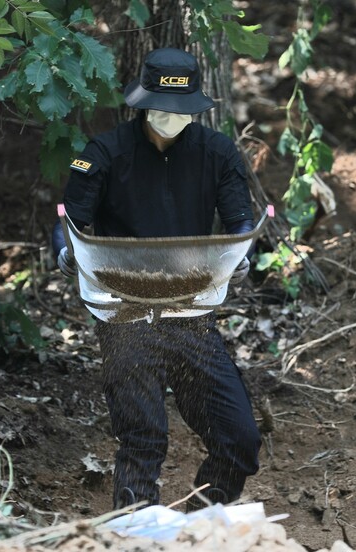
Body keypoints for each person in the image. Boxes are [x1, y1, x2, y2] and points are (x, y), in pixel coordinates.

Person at [52, 47, 261, 511]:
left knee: (239, 438)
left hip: (191, 309)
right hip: (123, 307)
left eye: (181, 110)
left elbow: (240, 221)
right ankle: (137, 531)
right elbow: (70, 219)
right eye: (162, 110)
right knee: (143, 437)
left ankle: (201, 523)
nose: (171, 118)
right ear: (142, 103)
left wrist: (241, 252)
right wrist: (66, 251)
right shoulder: (104, 153)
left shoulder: (218, 153)